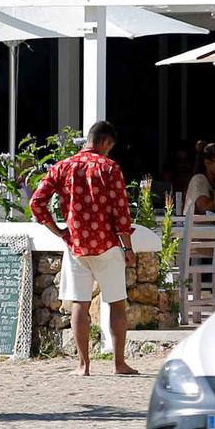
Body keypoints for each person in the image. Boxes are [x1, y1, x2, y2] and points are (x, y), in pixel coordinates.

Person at [28, 120, 139, 376]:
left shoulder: (63, 167)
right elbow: (121, 212)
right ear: (106, 143)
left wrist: (60, 232)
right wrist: (128, 247)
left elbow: (37, 203)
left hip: (76, 245)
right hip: (107, 244)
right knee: (117, 304)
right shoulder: (110, 168)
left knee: (80, 303)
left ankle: (83, 365)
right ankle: (119, 363)